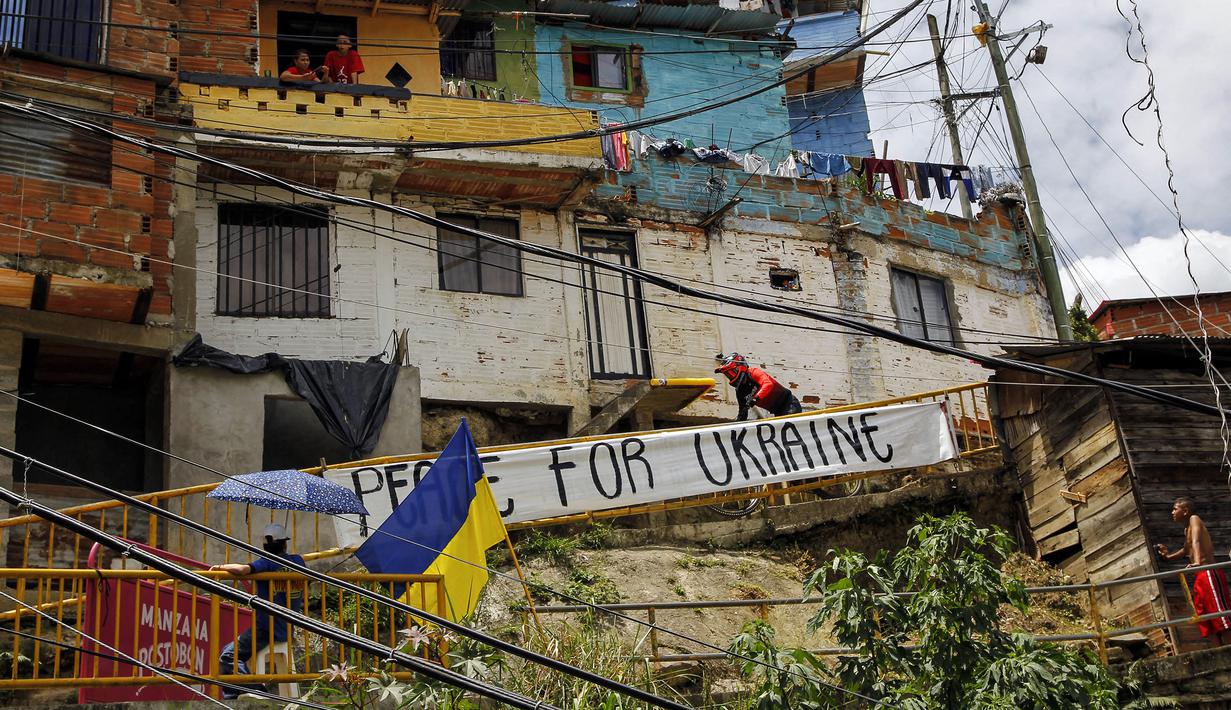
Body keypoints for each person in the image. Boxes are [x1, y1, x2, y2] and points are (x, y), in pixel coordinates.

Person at [210, 523, 306, 698]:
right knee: (229, 650)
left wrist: (220, 567)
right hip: (287, 628)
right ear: (285, 544)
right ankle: (238, 694)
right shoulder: (298, 562)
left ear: (265, 546)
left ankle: (256, 692)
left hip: (266, 628)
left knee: (227, 656)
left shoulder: (267, 562)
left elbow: (243, 570)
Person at [1156, 497, 1231, 646]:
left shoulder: (1194, 519)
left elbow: (1196, 541)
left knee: (1220, 617)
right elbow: (1186, 549)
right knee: (1205, 619)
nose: (1172, 512)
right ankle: (1219, 654)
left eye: (1174, 509)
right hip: (1199, 577)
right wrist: (1168, 557)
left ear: (1185, 511)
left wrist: (1197, 562)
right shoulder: (1186, 529)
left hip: (1208, 571)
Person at [714, 353, 803, 421]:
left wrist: (755, 399)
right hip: (777, 411)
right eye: (728, 375)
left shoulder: (753, 372)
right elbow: (743, 412)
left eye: (731, 372)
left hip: (789, 403)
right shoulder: (740, 391)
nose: (731, 377)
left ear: (739, 367)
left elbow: (768, 384)